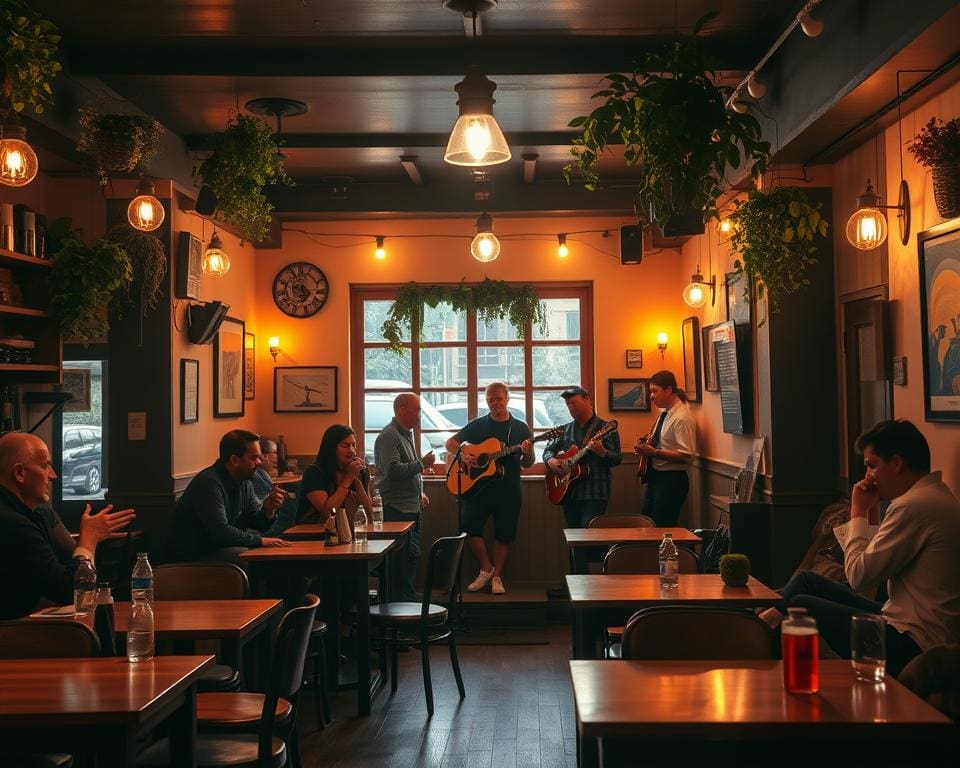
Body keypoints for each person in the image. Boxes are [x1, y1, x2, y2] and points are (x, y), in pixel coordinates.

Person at [763, 419, 960, 677]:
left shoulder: (914, 506)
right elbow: (876, 558)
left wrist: (857, 511)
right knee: (806, 581)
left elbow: (858, 576)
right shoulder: (935, 495)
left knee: (801, 606)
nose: (867, 476)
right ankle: (756, 631)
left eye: (872, 465)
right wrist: (871, 514)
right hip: (902, 622)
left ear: (897, 463)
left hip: (913, 643)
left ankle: (756, 650)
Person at [0, 431, 135, 619]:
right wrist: (89, 539)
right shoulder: (14, 525)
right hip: (14, 637)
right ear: (20, 473)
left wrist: (85, 539)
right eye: (45, 465)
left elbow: (68, 563)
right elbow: (71, 589)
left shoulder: (36, 512)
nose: (53, 475)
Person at [446, 381, 533, 595]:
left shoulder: (520, 427)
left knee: (504, 534)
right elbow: (450, 443)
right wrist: (465, 453)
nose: (494, 403)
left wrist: (528, 452)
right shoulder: (478, 425)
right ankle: (486, 568)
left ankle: (496, 577)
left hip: (508, 490)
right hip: (477, 489)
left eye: (498, 399)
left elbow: (528, 463)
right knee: (468, 527)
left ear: (507, 399)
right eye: (490, 400)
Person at [167, 429, 290, 563]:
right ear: (234, 460)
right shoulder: (209, 483)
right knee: (257, 559)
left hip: (221, 548)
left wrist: (268, 510)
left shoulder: (244, 480)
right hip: (194, 557)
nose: (259, 462)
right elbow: (221, 533)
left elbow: (256, 523)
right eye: (254, 458)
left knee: (278, 554)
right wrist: (259, 540)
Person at [374, 395, 433, 602]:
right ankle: (399, 609)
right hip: (396, 509)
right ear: (401, 409)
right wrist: (422, 464)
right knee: (398, 564)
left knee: (411, 558)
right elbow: (393, 471)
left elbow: (406, 472)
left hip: (410, 506)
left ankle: (407, 606)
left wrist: (419, 493)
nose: (419, 414)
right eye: (416, 410)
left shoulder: (406, 434)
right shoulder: (389, 436)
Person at [543, 385, 622, 529]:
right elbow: (548, 450)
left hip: (595, 491)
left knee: (589, 535)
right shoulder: (565, 429)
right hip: (568, 492)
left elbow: (617, 459)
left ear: (588, 400)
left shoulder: (606, 428)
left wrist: (602, 452)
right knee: (573, 538)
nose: (571, 407)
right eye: (568, 404)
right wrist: (551, 461)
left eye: (574, 403)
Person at [633, 370, 695, 526]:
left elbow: (687, 456)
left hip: (672, 479)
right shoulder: (664, 414)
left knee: (661, 526)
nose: (651, 396)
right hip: (657, 477)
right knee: (647, 523)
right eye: (650, 392)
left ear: (668, 389)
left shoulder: (682, 418)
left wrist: (653, 452)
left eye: (655, 391)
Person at [298, 424, 373, 524]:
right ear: (331, 448)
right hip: (315, 534)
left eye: (353, 445)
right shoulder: (314, 473)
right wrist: (348, 478)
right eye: (345, 446)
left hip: (350, 532)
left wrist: (356, 478)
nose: (351, 451)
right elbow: (328, 513)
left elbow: (369, 514)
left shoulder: (360, 471)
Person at [253, 438, 297, 536]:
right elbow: (266, 503)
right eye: (275, 452)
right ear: (264, 456)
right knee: (293, 501)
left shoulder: (262, 473)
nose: (277, 457)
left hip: (267, 520)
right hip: (265, 526)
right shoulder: (255, 475)